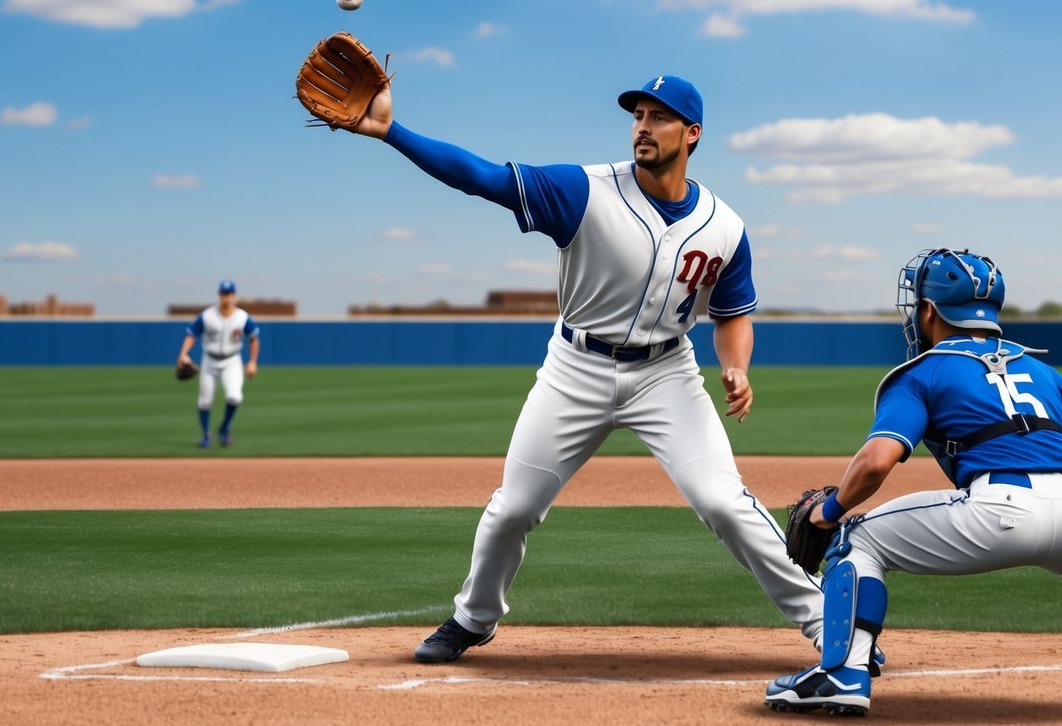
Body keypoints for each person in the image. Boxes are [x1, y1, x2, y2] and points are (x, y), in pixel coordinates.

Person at [344, 73, 847, 664]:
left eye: (659, 117)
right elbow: (484, 177)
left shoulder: (725, 227)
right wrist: (390, 132)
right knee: (513, 509)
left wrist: (735, 366)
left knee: (723, 502)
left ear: (692, 133)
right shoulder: (583, 191)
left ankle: (829, 625)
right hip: (575, 369)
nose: (642, 125)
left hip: (667, 375)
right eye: (637, 114)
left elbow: (733, 314)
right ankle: (472, 619)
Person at [764, 248, 1062, 716]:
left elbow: (875, 464)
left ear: (928, 310)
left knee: (854, 539)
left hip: (997, 511)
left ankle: (843, 674)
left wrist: (828, 513)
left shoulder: (922, 373)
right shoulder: (1043, 372)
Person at [176, 280, 260, 449]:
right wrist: (183, 354)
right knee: (205, 401)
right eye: (223, 293)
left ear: (234, 296)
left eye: (229, 294)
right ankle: (206, 434)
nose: (226, 297)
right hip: (210, 359)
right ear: (219, 295)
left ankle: (224, 429)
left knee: (234, 396)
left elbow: (254, 338)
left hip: (232, 360)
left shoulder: (242, 317)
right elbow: (191, 334)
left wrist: (252, 362)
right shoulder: (207, 315)